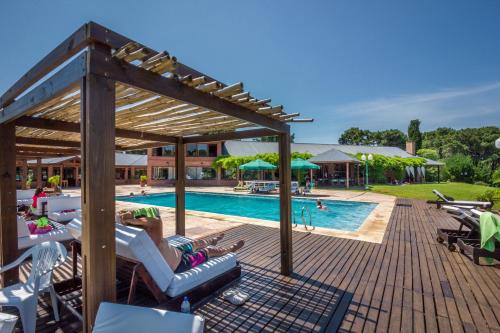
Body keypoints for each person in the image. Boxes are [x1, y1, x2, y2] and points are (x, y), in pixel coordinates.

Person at [119, 208, 245, 273]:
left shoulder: (136, 237)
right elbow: (156, 221)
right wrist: (133, 217)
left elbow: (153, 220)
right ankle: (230, 249)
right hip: (181, 264)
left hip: (175, 252)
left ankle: (212, 240)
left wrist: (129, 218)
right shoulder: (152, 237)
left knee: (194, 243)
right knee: (209, 252)